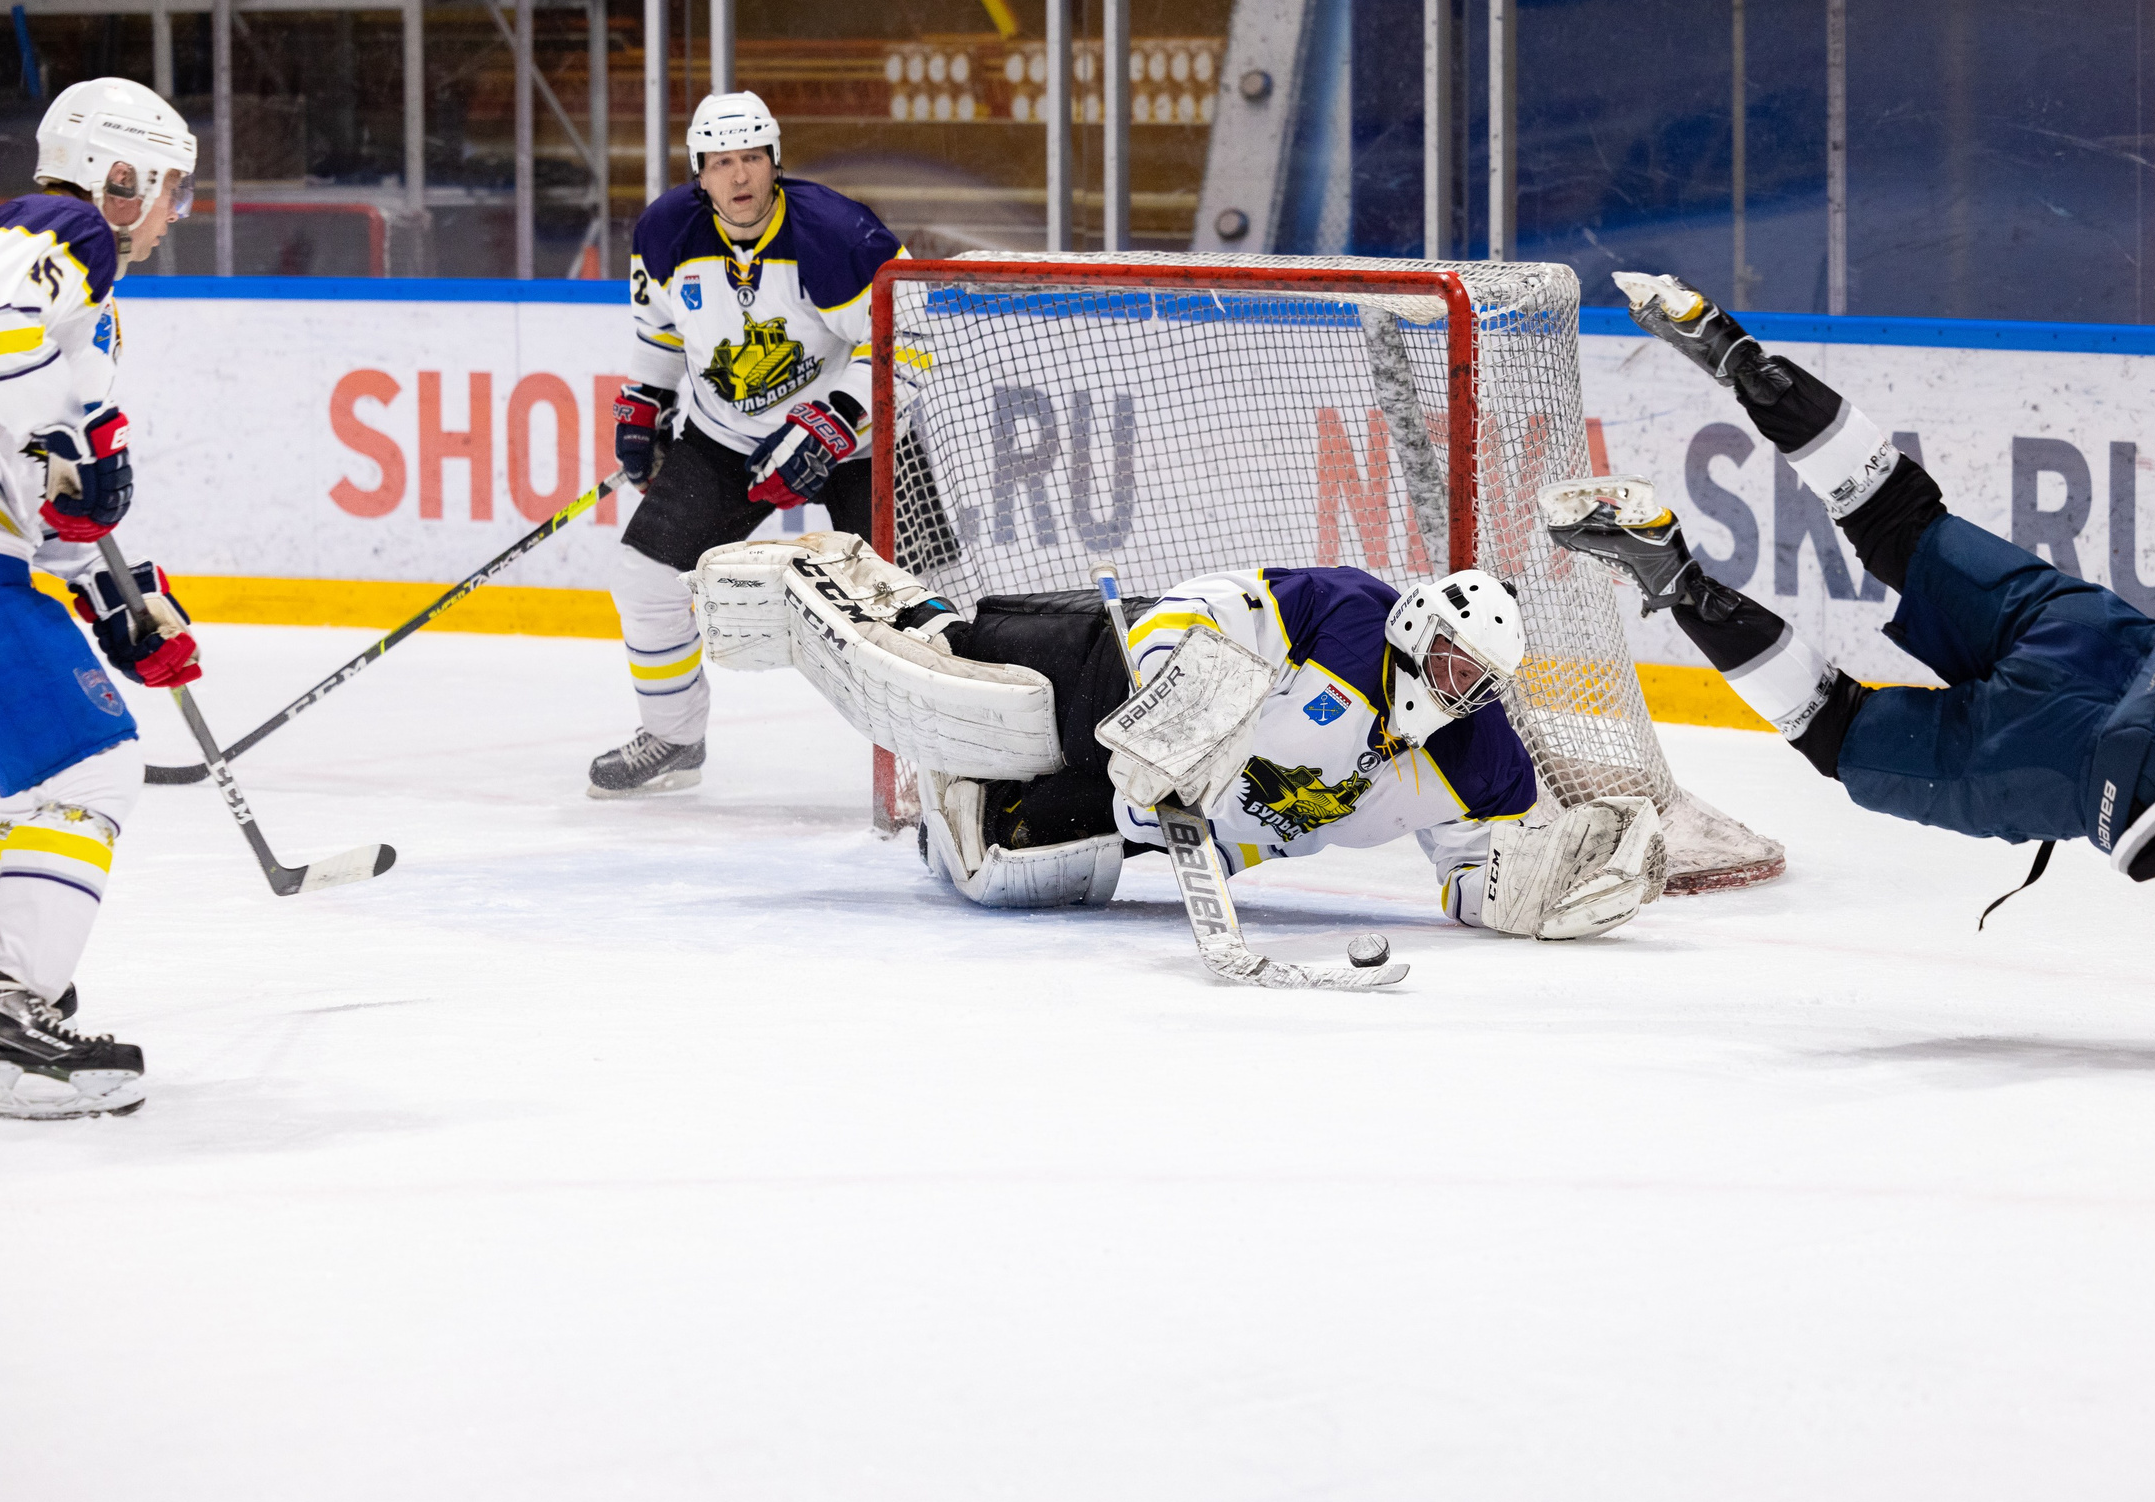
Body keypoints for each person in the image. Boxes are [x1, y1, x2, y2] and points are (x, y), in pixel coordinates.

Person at [1546, 271, 2155, 1071]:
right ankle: (1670, 572)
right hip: (2075, 750)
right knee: (1837, 728)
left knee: (1894, 512)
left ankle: (1732, 349)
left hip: (2100, 637)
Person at [690, 534, 1670, 940]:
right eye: (1452, 663)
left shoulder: (1482, 758)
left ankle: (964, 796)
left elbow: (1467, 876)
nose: (1460, 691)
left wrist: (1530, 893)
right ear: (1419, 626)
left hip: (1166, 823)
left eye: (1479, 681)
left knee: (1003, 872)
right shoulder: (1346, 614)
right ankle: (846, 585)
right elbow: (1205, 607)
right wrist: (1172, 702)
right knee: (959, 677)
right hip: (1111, 679)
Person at [0, 76, 205, 1118]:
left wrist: (119, 598)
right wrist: (79, 435)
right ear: (117, 176)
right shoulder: (63, 230)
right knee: (88, 768)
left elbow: (45, 495)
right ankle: (13, 1031)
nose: (174, 212)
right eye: (170, 187)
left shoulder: (66, 286)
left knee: (12, 783)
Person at [588, 91, 906, 797]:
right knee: (645, 578)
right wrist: (646, 400)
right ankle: (674, 736)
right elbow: (661, 330)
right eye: (722, 162)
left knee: (907, 600)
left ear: (775, 161)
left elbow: (905, 343)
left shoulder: (838, 233)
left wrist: (831, 423)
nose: (739, 177)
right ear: (699, 172)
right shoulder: (665, 232)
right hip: (729, 436)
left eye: (753, 158)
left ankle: (935, 763)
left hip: (861, 442)